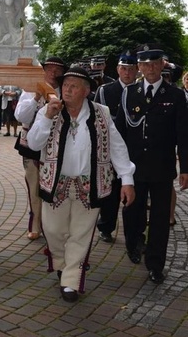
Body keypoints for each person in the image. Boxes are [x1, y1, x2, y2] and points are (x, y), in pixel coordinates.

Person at [27, 66, 135, 302]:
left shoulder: (102, 113)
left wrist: (127, 179)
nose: (67, 89)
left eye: (73, 86)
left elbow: (117, 147)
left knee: (81, 234)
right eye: (65, 85)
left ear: (86, 91)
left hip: (90, 185)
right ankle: (61, 263)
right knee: (54, 231)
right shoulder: (49, 110)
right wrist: (46, 117)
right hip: (55, 184)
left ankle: (70, 281)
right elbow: (34, 144)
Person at [115, 44, 188, 284]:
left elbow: (183, 134)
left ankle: (155, 264)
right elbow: (122, 133)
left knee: (159, 219)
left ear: (162, 65)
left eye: (155, 63)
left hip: (162, 167)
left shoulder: (175, 95)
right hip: (134, 167)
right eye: (145, 64)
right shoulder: (130, 93)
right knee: (132, 210)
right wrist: (118, 166)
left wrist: (185, 168)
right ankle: (134, 244)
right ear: (140, 67)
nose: (151, 68)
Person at [14, 55, 67, 240]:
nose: (53, 72)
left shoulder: (65, 90)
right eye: (49, 68)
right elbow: (21, 116)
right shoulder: (29, 89)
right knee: (34, 183)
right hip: (30, 144)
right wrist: (36, 95)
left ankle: (52, 224)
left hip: (57, 145)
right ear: (43, 71)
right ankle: (35, 223)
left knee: (54, 183)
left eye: (57, 69)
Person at [94, 51, 139, 243]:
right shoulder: (105, 91)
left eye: (131, 69)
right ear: (118, 69)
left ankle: (134, 233)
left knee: (133, 191)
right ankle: (106, 226)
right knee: (110, 191)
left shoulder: (140, 91)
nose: (127, 73)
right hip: (110, 148)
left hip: (135, 148)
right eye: (123, 68)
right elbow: (96, 117)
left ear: (137, 70)